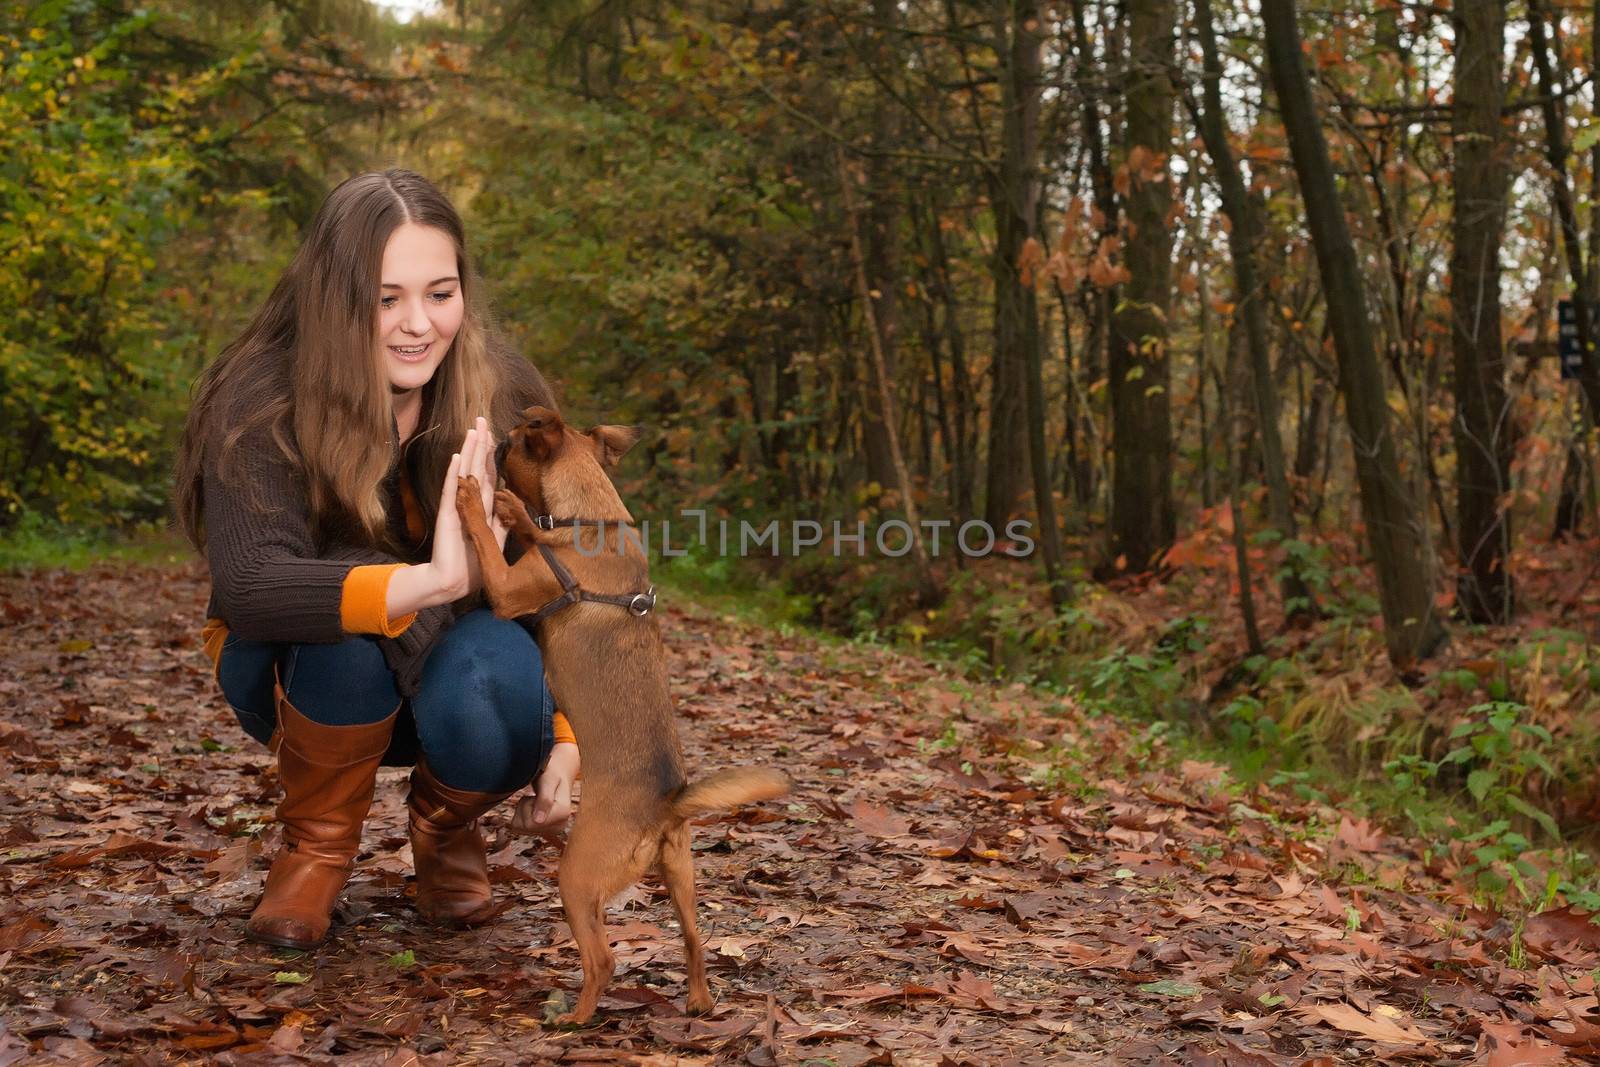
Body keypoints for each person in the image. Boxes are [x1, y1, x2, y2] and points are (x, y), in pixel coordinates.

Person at [170, 168, 580, 950]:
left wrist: (568, 736)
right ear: (333, 297)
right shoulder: (259, 396)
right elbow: (252, 584)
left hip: (452, 679)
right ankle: (316, 851)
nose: (417, 324)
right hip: (301, 680)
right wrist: (428, 580)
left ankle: (444, 826)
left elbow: (565, 578)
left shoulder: (505, 389)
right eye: (385, 297)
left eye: (440, 292)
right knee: (346, 639)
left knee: (495, 665)